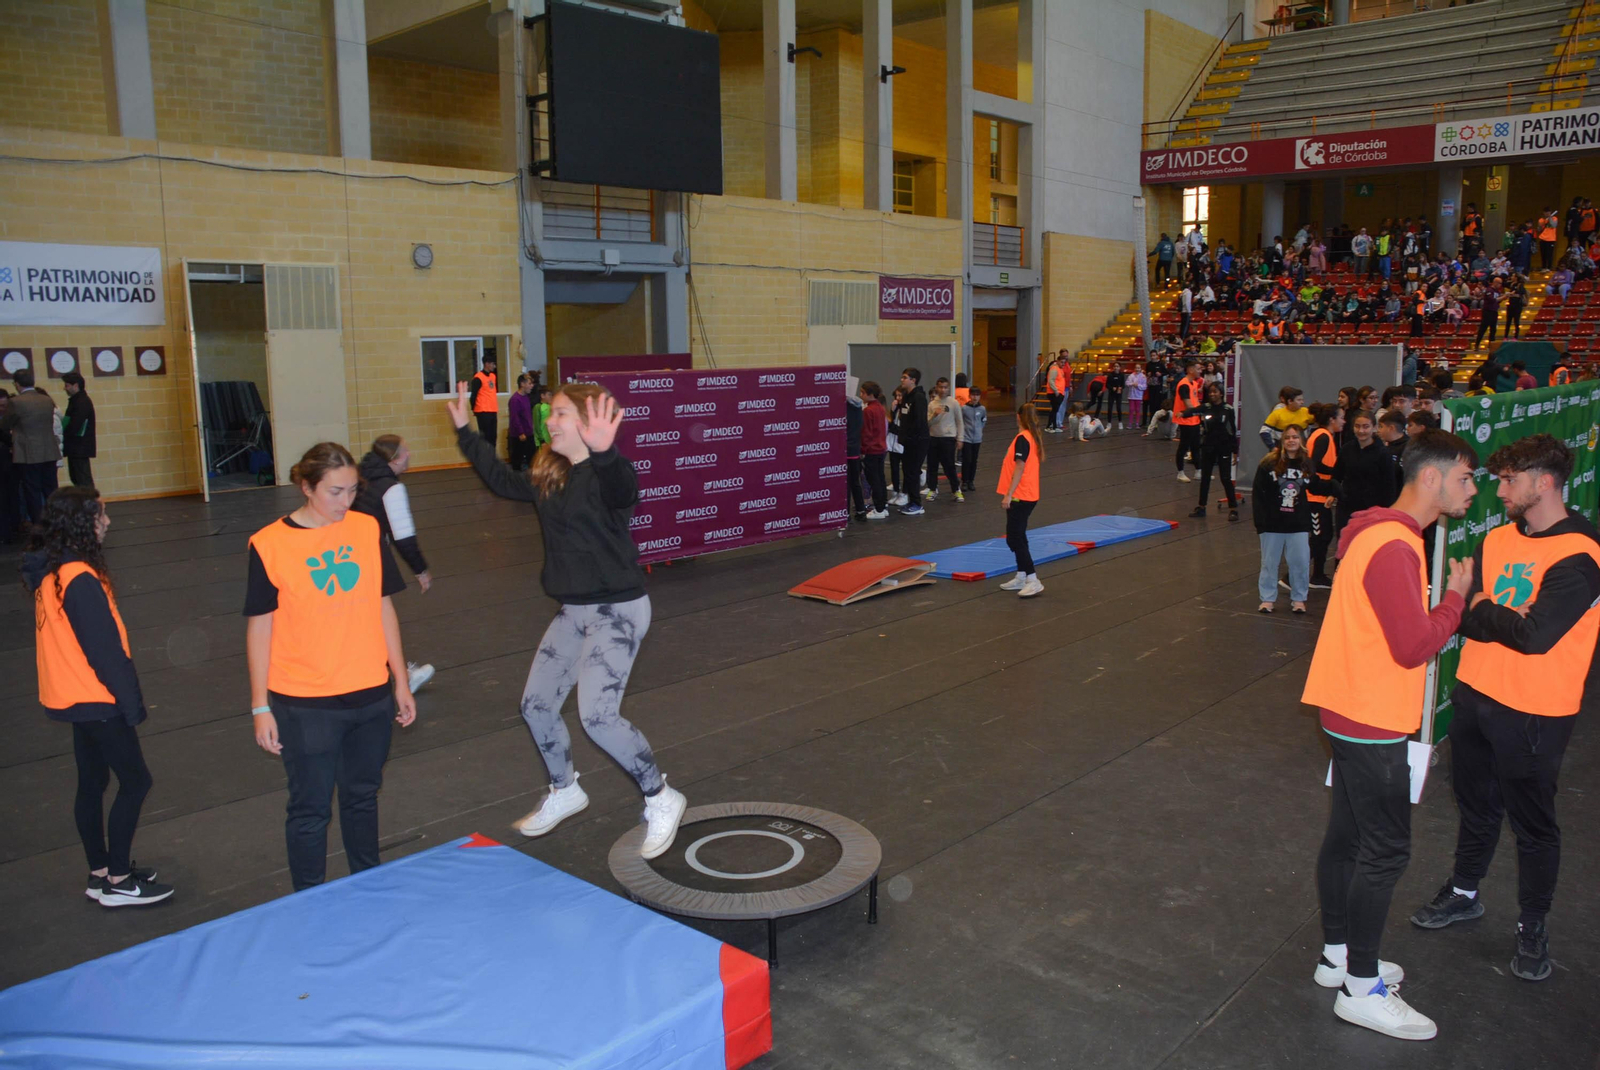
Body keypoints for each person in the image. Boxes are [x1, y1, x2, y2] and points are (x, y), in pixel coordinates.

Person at [448, 380, 686, 856]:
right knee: (535, 707)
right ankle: (566, 789)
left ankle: (661, 797)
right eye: (549, 414)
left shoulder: (607, 474)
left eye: (557, 414)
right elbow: (499, 480)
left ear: (585, 423)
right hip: (573, 612)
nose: (548, 422)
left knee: (598, 717)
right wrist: (464, 432)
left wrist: (605, 453)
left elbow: (624, 489)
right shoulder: (549, 477)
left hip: (618, 610)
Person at [1301, 430, 1478, 1042]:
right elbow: (1413, 646)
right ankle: (1362, 987)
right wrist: (1455, 600)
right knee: (1385, 852)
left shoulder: (1381, 535)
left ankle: (1338, 957)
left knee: (1347, 839)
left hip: (1350, 710)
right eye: (1465, 478)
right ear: (1431, 477)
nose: (1472, 490)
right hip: (1370, 719)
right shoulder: (1396, 547)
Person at [1408, 435, 1599, 984]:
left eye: (1510, 479)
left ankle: (1532, 923)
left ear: (1543, 483)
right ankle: (1464, 891)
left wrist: (1484, 608)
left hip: (1536, 711)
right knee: (1475, 805)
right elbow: (1466, 616)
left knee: (1534, 824)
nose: (1499, 487)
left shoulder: (1582, 554)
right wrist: (1489, 613)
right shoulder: (1495, 540)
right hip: (1475, 693)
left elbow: (1536, 637)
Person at [245, 442, 417, 891]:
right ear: (306, 488)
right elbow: (260, 629)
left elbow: (383, 608)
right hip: (305, 704)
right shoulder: (269, 544)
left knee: (362, 799)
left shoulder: (365, 530)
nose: (346, 502)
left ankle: (367, 888)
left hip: (370, 695)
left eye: (353, 491)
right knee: (311, 809)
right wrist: (260, 705)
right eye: (335, 492)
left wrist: (400, 680)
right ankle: (309, 901)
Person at [25, 486, 172, 907]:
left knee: (92, 782)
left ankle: (100, 872)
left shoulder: (53, 571)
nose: (107, 521)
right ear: (81, 524)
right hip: (95, 698)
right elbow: (105, 653)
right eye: (100, 515)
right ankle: (121, 880)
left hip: (72, 697)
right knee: (136, 781)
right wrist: (131, 704)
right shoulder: (79, 579)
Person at [353, 434, 436, 694]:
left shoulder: (359, 477)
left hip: (341, 555)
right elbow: (404, 535)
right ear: (395, 459)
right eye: (406, 451)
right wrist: (420, 569)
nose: (410, 454)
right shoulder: (391, 487)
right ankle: (404, 677)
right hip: (365, 559)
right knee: (377, 619)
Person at [1252, 425, 1332, 614]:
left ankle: (1299, 599)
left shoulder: (1307, 464)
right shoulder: (1268, 463)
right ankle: (1267, 599)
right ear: (1282, 441)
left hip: (1298, 523)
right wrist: (1260, 523)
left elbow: (1315, 485)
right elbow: (1258, 494)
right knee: (1269, 563)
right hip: (1273, 523)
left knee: (1300, 562)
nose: (1291, 441)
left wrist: (1336, 489)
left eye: (1295, 437)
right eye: (1287, 437)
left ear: (1301, 441)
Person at [997, 403, 1045, 598]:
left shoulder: (1023, 439)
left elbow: (1020, 467)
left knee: (1015, 537)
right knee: (1017, 536)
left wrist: (1009, 494)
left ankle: (1033, 579)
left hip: (1021, 495)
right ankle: (1022, 575)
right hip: (1026, 494)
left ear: (1018, 417)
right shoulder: (1031, 438)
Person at [1, 368, 61, 526]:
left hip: (28, 453)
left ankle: (39, 527)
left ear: (16, 384)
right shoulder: (46, 400)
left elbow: (5, 425)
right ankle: (56, 523)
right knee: (51, 490)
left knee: (32, 491)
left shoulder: (16, 402)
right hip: (49, 450)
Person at [1334, 410, 1400, 532]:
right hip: (1347, 508)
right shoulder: (1346, 449)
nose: (1361, 431)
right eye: (1357, 426)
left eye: (1366, 427)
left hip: (1372, 510)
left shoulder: (1383, 453)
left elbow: (1389, 487)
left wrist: (1385, 513)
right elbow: (1337, 476)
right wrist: (1337, 495)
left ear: (1374, 428)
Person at [1305, 404, 1344, 589]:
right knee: (1319, 537)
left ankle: (1317, 574)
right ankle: (1299, 575)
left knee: (1323, 536)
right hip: (1314, 496)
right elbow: (1315, 464)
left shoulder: (1324, 435)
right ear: (1332, 419)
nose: (1343, 421)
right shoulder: (1322, 436)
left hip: (1321, 495)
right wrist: (1337, 471)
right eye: (1341, 418)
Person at [1190, 383, 1239, 521]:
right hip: (1208, 447)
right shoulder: (1206, 408)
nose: (1212, 394)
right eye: (1210, 392)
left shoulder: (1228, 409)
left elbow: (1232, 431)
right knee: (1205, 478)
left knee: (1225, 478)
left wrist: (1235, 450)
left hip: (1224, 447)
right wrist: (1182, 413)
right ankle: (1201, 507)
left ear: (1221, 393)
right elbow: (1194, 413)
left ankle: (1233, 508)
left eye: (1215, 392)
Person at [923, 376, 964, 503]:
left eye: (945, 387)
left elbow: (959, 421)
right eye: (940, 387)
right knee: (932, 466)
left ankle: (956, 489)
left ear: (948, 388)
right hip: (934, 438)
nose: (942, 390)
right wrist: (935, 415)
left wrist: (960, 438)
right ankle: (932, 489)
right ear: (936, 388)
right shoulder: (932, 404)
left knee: (949, 466)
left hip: (948, 438)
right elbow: (927, 423)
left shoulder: (953, 403)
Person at [896, 368, 929, 516]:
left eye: (905, 378)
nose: (902, 380)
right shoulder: (906, 397)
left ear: (913, 380)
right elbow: (904, 419)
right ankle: (911, 501)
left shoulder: (919, 397)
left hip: (917, 441)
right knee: (908, 472)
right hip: (908, 441)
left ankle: (917, 504)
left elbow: (919, 421)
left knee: (913, 472)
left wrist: (911, 437)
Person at [859, 380, 889, 519]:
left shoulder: (868, 411)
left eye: (862, 392)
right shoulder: (880, 408)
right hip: (881, 448)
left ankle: (878, 508)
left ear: (870, 394)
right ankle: (883, 505)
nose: (860, 395)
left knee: (874, 479)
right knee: (880, 478)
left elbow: (866, 433)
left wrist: (863, 450)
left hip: (871, 449)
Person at [61, 373, 96, 489]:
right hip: (76, 447)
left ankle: (92, 505)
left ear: (75, 386)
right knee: (77, 478)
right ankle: (87, 504)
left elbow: (75, 425)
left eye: (67, 385)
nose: (65, 388)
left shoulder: (81, 401)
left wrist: (64, 433)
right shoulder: (77, 400)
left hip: (79, 447)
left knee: (83, 480)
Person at [1171, 359, 1203, 483]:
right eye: (1198, 368)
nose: (1200, 371)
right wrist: (1201, 409)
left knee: (1196, 446)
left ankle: (1198, 471)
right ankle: (1180, 472)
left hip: (1194, 420)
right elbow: (1188, 404)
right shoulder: (1183, 384)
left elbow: (1195, 401)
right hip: (1186, 421)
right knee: (1184, 446)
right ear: (1190, 370)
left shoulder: (1194, 384)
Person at [470, 356, 499, 455]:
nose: (494, 366)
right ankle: (484, 459)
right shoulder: (478, 378)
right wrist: (474, 409)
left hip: (492, 410)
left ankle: (492, 458)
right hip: (482, 411)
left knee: (493, 437)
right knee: (485, 437)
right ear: (486, 364)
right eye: (492, 364)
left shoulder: (493, 376)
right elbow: (473, 395)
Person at [960, 387, 987, 493]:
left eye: (977, 395)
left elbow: (983, 420)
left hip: (977, 439)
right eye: (973, 395)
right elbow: (961, 421)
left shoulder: (982, 409)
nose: (975, 397)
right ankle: (964, 481)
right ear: (969, 395)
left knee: (974, 460)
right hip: (966, 438)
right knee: (967, 460)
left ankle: (971, 480)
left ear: (980, 396)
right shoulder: (964, 408)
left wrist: (979, 430)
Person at [846, 382, 866, 521]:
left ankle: (845, 512)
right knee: (855, 482)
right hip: (855, 449)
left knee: (846, 483)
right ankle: (860, 509)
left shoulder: (845, 408)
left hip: (846, 450)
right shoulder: (859, 408)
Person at [508, 373, 536, 471]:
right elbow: (515, 418)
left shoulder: (526, 398)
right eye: (529, 383)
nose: (532, 386)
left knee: (532, 458)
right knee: (517, 459)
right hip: (519, 435)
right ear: (522, 384)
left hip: (529, 432)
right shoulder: (515, 399)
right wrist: (520, 432)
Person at [0, 389, 17, 545]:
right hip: (5, 461)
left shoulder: (12, 418)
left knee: (10, 498)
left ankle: (10, 529)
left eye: (5, 405)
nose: (2, 409)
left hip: (10, 464)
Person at [1104, 363, 1127, 430]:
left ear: (1119, 367)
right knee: (1110, 408)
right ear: (1113, 367)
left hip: (1118, 393)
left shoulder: (1122, 375)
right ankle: (1109, 423)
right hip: (1111, 393)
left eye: (1117, 366)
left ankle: (1120, 422)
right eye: (1115, 366)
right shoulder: (1110, 375)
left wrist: (1120, 388)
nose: (1116, 368)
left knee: (1119, 408)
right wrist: (1112, 388)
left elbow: (1123, 385)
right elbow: (1107, 385)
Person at [1126, 364, 1147, 432]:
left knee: (1138, 410)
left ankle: (1137, 423)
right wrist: (1132, 384)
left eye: (1139, 368)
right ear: (1134, 368)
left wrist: (1138, 385)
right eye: (1136, 368)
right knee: (1131, 409)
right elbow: (1127, 383)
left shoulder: (1143, 377)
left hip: (1138, 396)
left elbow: (1144, 386)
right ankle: (1130, 423)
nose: (1137, 369)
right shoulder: (1131, 375)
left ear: (1140, 369)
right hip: (1131, 395)